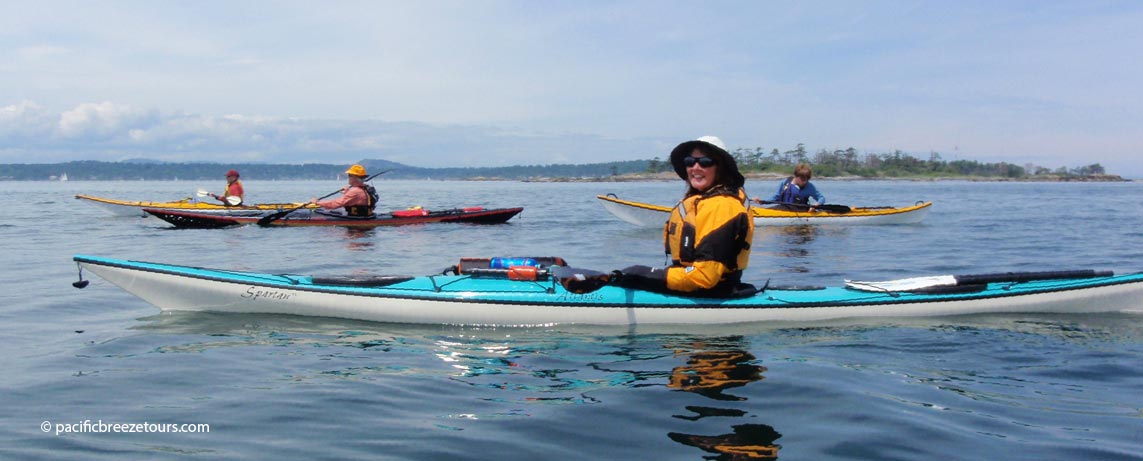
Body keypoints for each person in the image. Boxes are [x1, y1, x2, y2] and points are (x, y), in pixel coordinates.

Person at [614, 136, 755, 297]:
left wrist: (647, 274)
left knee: (635, 273)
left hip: (710, 290)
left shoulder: (721, 206)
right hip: (692, 284)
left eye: (706, 162)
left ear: (720, 167)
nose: (695, 167)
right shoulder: (702, 201)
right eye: (690, 161)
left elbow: (704, 276)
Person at [310, 164, 378, 217]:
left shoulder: (354, 191)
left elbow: (335, 204)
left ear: (354, 177)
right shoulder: (365, 188)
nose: (348, 177)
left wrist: (317, 203)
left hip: (356, 225)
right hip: (364, 216)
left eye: (349, 175)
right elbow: (356, 199)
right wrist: (347, 192)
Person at [752, 163, 823, 210]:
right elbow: (776, 197)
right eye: (803, 179)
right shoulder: (785, 182)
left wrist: (816, 205)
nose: (805, 181)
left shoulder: (809, 186)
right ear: (796, 176)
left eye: (807, 179)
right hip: (783, 208)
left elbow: (821, 198)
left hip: (800, 211)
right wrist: (763, 201)